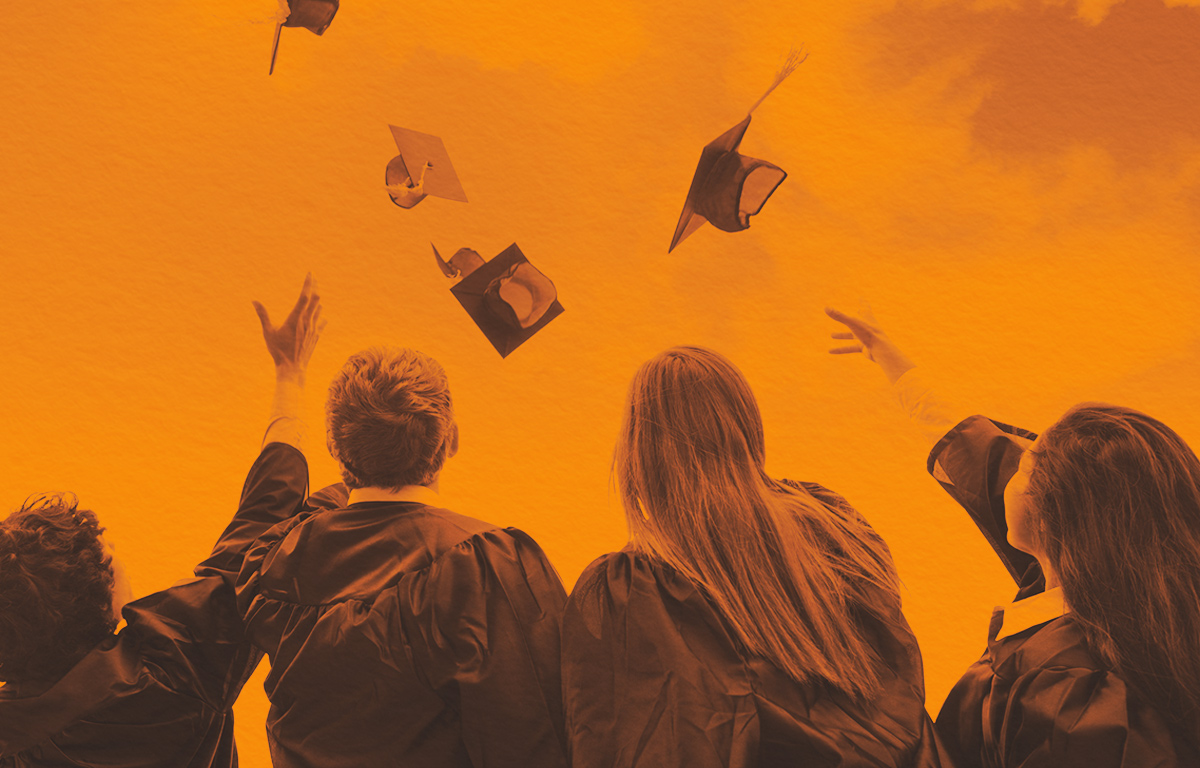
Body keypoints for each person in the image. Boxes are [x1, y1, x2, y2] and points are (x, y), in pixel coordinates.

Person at [827, 307, 1200, 768]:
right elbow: (980, 452)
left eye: (1027, 464)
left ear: (1050, 517)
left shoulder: (1075, 703)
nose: (1012, 461)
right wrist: (894, 363)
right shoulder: (1121, 582)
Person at [561, 345, 947, 768]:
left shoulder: (631, 593)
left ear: (641, 450)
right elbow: (897, 665)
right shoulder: (834, 525)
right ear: (747, 426)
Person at [0, 274, 326, 767]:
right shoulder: (173, 669)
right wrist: (290, 375)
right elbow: (265, 524)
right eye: (111, 558)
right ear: (107, 597)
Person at [235, 335, 568, 766]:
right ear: (451, 442)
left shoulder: (279, 559)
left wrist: (289, 378)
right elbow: (538, 731)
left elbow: (276, 499)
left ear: (336, 451)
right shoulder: (484, 566)